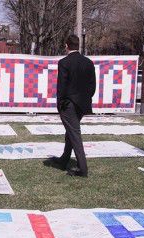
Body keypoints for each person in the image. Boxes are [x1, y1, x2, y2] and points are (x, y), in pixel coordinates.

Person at [52, 34, 96, 177]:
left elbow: (62, 86)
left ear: (66, 46)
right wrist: (85, 99)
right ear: (78, 46)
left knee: (74, 134)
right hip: (82, 104)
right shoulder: (88, 62)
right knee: (71, 132)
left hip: (68, 104)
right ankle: (65, 158)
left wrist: (60, 103)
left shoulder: (64, 62)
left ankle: (82, 169)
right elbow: (92, 86)